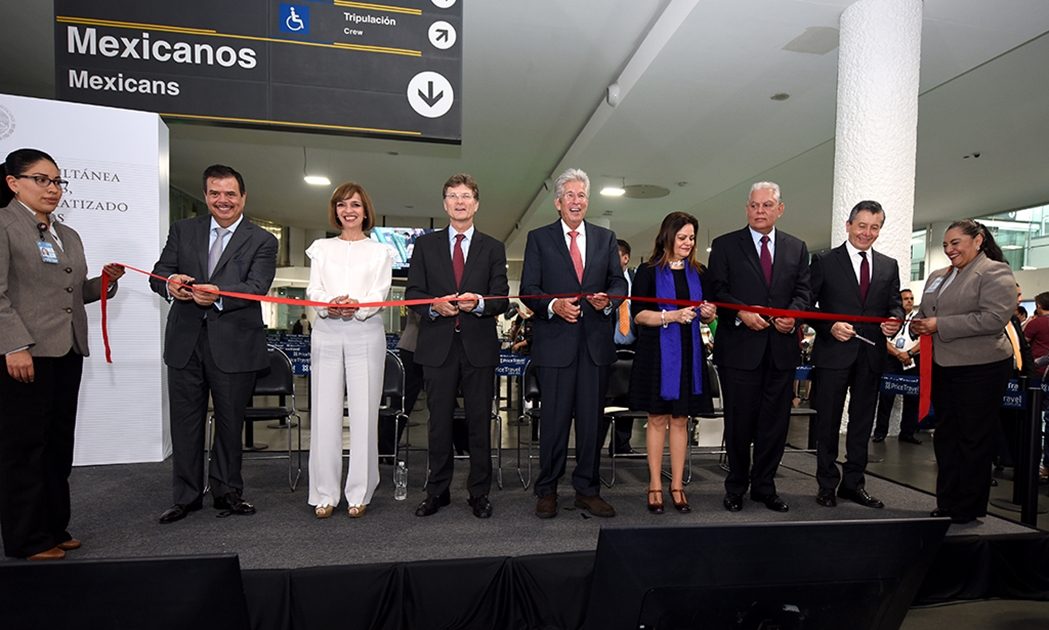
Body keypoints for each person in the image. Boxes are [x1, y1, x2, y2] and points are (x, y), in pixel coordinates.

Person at [0, 148, 124, 560]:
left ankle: (54, 527)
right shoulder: (4, 225)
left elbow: (71, 293)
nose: (52, 188)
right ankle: (26, 539)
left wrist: (102, 283)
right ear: (13, 183)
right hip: (25, 354)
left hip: (66, 349)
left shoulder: (66, 234)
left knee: (56, 446)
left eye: (56, 181)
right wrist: (14, 345)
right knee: (24, 449)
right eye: (41, 179)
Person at [150, 165, 278, 524]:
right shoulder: (183, 230)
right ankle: (186, 496)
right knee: (185, 423)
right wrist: (170, 283)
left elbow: (257, 287)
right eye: (214, 193)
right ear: (206, 196)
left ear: (243, 197)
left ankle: (227, 491)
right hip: (185, 342)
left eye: (230, 193)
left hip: (235, 344)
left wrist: (219, 296)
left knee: (229, 423)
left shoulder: (263, 240)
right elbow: (160, 272)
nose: (222, 200)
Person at [521, 168, 627, 519]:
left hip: (595, 347)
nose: (577, 201)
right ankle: (547, 489)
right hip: (554, 345)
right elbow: (529, 289)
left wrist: (608, 300)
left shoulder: (605, 238)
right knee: (552, 423)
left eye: (582, 195)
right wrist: (554, 305)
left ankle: (587, 489)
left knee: (591, 424)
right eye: (570, 195)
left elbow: (618, 283)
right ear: (558, 202)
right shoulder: (539, 238)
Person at [406, 173, 509, 518]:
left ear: (476, 204)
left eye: (466, 196)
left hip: (478, 347)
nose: (459, 201)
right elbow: (413, 296)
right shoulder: (425, 246)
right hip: (437, 347)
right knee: (438, 424)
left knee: (479, 423)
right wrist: (433, 305)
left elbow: (500, 298)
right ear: (445, 203)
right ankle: (437, 491)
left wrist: (478, 302)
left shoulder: (493, 248)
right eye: (453, 195)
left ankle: (479, 493)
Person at [707, 181, 812, 513]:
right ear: (747, 208)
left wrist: (792, 317)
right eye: (754, 205)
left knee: (775, 423)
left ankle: (765, 486)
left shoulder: (797, 248)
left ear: (779, 209)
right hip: (739, 349)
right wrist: (741, 312)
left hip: (780, 350)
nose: (759, 211)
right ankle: (736, 486)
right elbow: (717, 290)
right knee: (739, 422)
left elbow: (804, 293)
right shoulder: (724, 245)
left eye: (767, 205)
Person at [911, 219, 1016, 524]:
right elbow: (927, 310)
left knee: (973, 438)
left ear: (979, 240)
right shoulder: (938, 276)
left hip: (982, 367)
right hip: (944, 365)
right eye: (945, 244)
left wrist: (940, 325)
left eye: (955, 243)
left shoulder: (995, 271)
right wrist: (920, 321)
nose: (949, 250)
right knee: (946, 436)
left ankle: (967, 508)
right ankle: (946, 502)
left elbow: (993, 319)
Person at [808, 201, 904, 509]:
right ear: (848, 225)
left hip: (871, 356)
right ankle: (826, 484)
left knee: (862, 424)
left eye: (874, 227)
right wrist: (830, 326)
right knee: (828, 423)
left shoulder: (889, 265)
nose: (867, 233)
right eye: (862, 225)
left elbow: (894, 305)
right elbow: (806, 306)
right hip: (833, 353)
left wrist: (894, 318)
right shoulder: (824, 260)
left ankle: (853, 484)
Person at [306, 183, 394, 518]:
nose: (349, 210)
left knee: (364, 414)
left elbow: (381, 290)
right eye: (342, 205)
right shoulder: (320, 248)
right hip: (326, 333)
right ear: (335, 211)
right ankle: (324, 493)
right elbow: (314, 288)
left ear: (365, 209)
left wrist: (357, 308)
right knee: (324, 414)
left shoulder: (380, 252)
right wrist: (329, 306)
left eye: (355, 204)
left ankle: (360, 492)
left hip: (365, 333)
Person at [629, 212, 716, 514]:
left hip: (690, 352)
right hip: (657, 353)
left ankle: (677, 485)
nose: (688, 243)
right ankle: (654, 484)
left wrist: (708, 313)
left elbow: (710, 312)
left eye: (692, 238)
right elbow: (639, 315)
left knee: (680, 420)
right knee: (657, 419)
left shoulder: (700, 272)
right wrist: (671, 316)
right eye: (682, 237)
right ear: (668, 237)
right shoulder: (647, 271)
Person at [874, 289, 923, 444]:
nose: (909, 301)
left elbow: (926, 341)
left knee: (912, 398)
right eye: (905, 298)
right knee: (886, 397)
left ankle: (907, 433)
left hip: (912, 360)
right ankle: (880, 432)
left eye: (911, 298)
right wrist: (898, 354)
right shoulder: (891, 319)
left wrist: (908, 353)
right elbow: (883, 340)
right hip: (892, 360)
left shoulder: (919, 319)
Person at [605, 238, 638, 457]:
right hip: (608, 346)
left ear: (625, 258)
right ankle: (594, 445)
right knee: (605, 397)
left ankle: (621, 445)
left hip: (635, 346)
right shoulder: (602, 282)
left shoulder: (639, 281)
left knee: (629, 397)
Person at [378, 308, 424, 465]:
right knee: (404, 402)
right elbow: (422, 318)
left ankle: (462, 442)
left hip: (418, 348)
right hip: (415, 348)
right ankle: (387, 447)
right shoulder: (421, 287)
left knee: (445, 397)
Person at [1023, 291, 1049, 480]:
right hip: (1044, 372)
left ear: (1038, 306)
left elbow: (1021, 344)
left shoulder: (1037, 323)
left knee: (1034, 415)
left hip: (1038, 375)